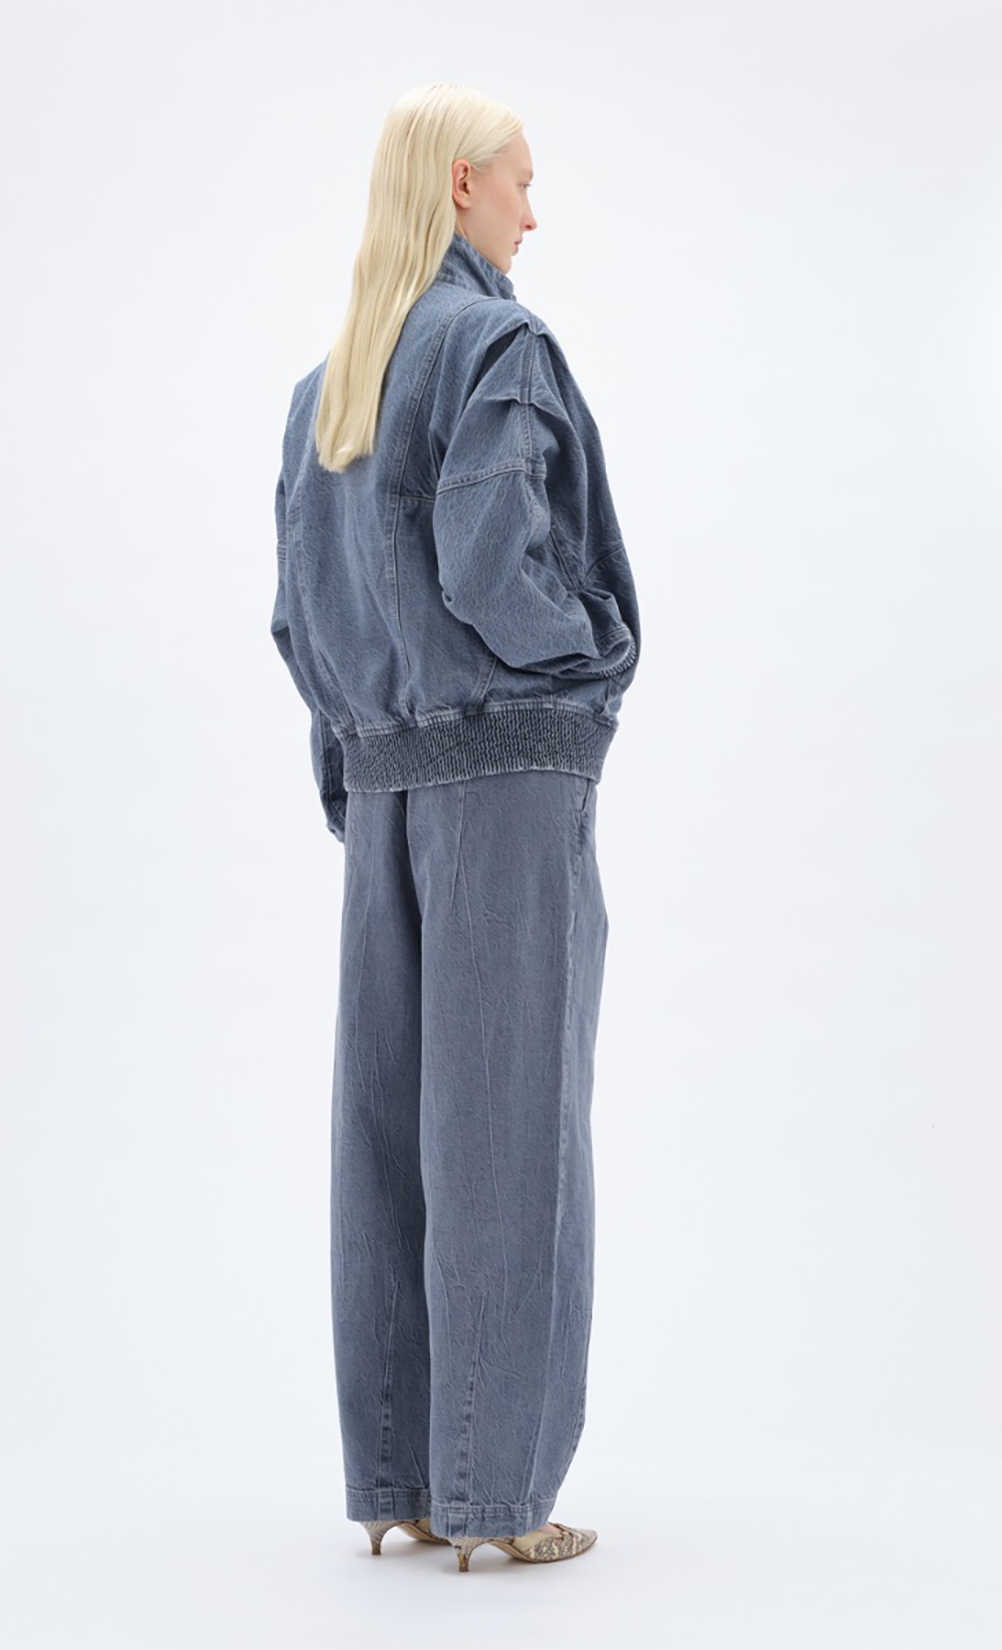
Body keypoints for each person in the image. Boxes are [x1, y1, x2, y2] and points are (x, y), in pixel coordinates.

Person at [271, 82, 642, 1574]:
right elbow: (496, 569)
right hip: (505, 772)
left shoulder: (328, 388)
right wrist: (594, 651)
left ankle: (402, 1482)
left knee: (388, 1128)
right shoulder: (494, 346)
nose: (535, 214)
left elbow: (300, 619)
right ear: (459, 188)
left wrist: (358, 758)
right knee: (509, 1130)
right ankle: (502, 1499)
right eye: (521, 183)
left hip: (383, 784)